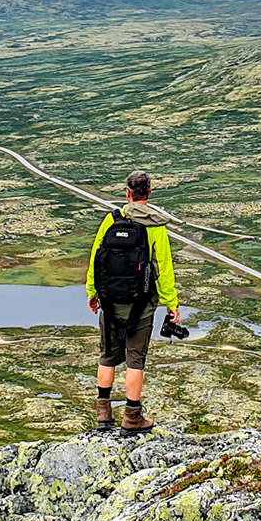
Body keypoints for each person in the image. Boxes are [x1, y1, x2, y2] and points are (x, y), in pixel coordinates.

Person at [85, 170, 180, 432]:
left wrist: (93, 293)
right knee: (135, 360)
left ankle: (103, 413)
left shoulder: (111, 220)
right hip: (142, 305)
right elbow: (164, 268)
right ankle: (132, 416)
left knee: (107, 356)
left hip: (110, 301)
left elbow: (96, 258)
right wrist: (172, 304)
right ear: (149, 193)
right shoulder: (156, 227)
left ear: (127, 193)